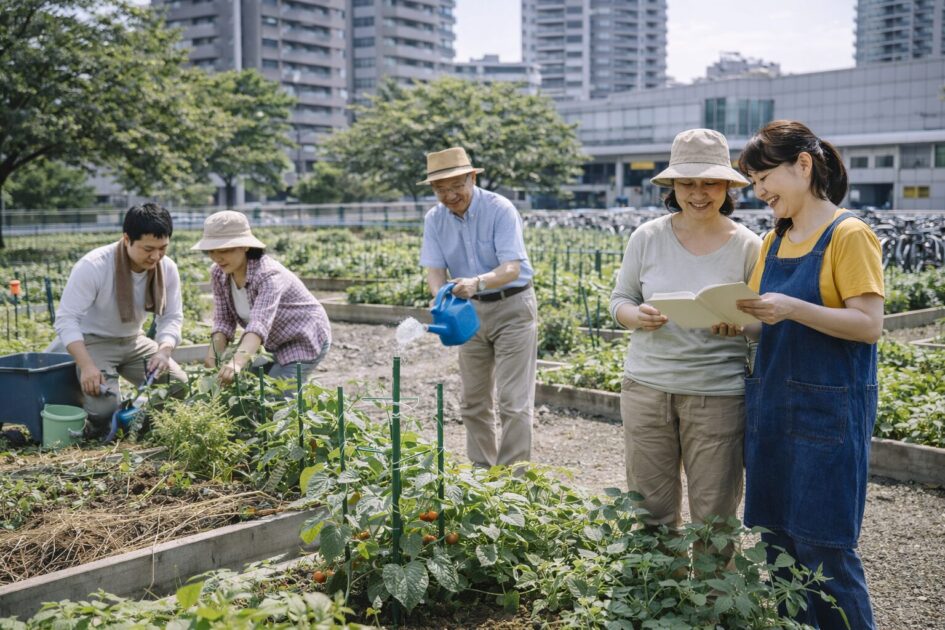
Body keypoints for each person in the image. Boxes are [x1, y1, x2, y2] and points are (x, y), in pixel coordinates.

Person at [736, 120, 883, 629]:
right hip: (775, 408)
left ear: (803, 165)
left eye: (763, 179)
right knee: (777, 543)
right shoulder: (772, 240)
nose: (759, 192)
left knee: (826, 550)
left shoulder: (849, 234)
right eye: (753, 183)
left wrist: (792, 308)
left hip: (829, 413)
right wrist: (732, 320)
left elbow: (868, 325)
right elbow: (765, 319)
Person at [609, 129, 761, 538]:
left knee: (715, 516)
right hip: (647, 388)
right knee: (650, 511)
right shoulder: (647, 237)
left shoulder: (749, 246)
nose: (698, 193)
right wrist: (636, 316)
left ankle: (715, 583)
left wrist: (740, 324)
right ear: (672, 187)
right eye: (687, 183)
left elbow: (762, 323)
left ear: (727, 187)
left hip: (718, 394)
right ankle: (662, 580)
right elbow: (620, 299)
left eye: (710, 182)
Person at [418, 146, 537, 468]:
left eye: (457, 185)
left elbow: (511, 268)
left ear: (472, 178)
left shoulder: (500, 209)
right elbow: (434, 270)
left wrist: (477, 282)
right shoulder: (435, 219)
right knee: (473, 401)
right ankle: (483, 474)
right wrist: (439, 297)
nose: (449, 195)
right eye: (440, 189)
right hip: (468, 313)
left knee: (513, 401)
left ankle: (513, 478)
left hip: (512, 307)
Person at [55, 203, 188, 435]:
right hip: (93, 341)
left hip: (134, 340)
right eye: (148, 249)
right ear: (127, 239)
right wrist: (86, 366)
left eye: (163, 248)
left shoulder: (166, 268)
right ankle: (93, 408)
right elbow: (66, 319)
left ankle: (133, 420)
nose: (156, 256)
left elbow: (172, 316)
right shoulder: (94, 266)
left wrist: (163, 351)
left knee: (177, 385)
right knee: (104, 410)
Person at [193, 211, 331, 387]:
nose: (216, 257)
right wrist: (213, 356)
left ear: (245, 246)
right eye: (211, 251)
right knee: (248, 388)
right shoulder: (219, 273)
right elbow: (223, 320)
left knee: (277, 394)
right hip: (272, 341)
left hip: (303, 337)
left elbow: (259, 324)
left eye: (224, 250)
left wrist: (236, 363)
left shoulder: (268, 275)